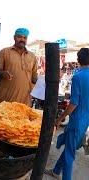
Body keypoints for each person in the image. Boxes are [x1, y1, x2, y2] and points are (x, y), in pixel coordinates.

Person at [45, 48, 89, 180]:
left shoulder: (78, 76)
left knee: (70, 154)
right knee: (70, 148)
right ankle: (56, 171)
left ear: (78, 60)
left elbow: (73, 104)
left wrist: (59, 118)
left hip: (76, 121)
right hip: (85, 121)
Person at [0, 28, 38, 106]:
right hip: (6, 100)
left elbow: (34, 77)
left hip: (25, 102)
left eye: (25, 38)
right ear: (14, 37)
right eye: (19, 37)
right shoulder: (4, 52)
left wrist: (43, 81)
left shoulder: (32, 56)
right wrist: (2, 73)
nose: (22, 39)